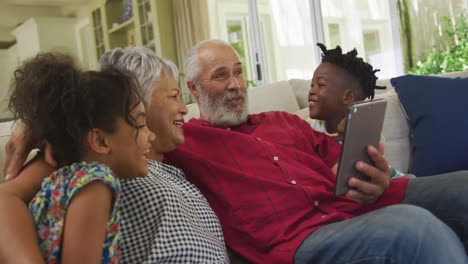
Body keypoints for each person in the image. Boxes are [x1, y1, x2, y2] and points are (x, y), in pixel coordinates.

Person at [161, 39, 468, 263]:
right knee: (415, 226)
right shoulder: (185, 141)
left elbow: (342, 166)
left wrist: (373, 172)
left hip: (353, 206)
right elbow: (133, 129)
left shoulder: (282, 121)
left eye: (239, 73)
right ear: (194, 89)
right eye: (220, 75)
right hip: (299, 238)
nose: (235, 85)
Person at [0, 47, 229, 263]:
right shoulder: (94, 164)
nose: (185, 108)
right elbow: (5, 199)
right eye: (173, 96)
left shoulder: (181, 155)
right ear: (138, 102)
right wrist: (36, 125)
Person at [0, 52, 155, 263]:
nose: (151, 135)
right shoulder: (96, 181)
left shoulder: (64, 175)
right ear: (100, 141)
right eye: (140, 123)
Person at [309, 43, 406, 178]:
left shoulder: (363, 129)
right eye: (312, 85)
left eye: (320, 85)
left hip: (392, 180)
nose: (312, 91)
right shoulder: (311, 128)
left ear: (348, 96)